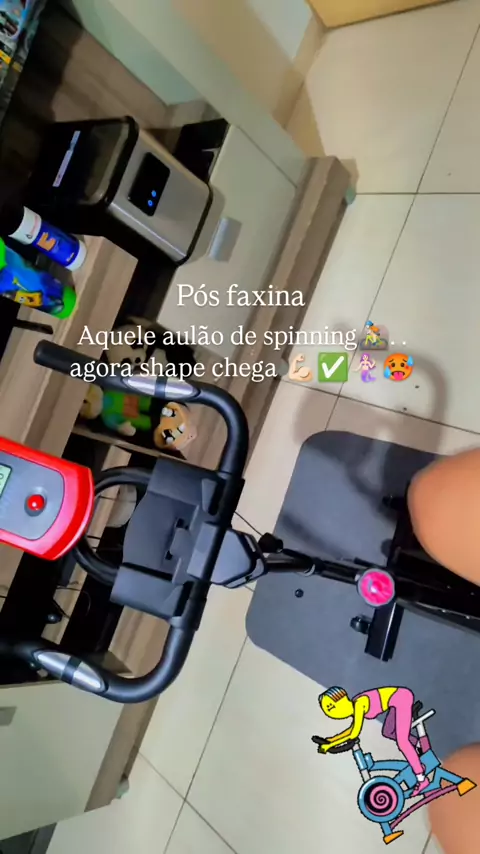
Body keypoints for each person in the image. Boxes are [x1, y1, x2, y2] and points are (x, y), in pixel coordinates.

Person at [317, 685, 429, 794]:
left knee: (402, 742)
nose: (330, 714)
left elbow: (354, 733)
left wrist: (330, 746)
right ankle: (417, 752)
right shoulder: (356, 706)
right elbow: (351, 729)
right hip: (396, 702)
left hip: (402, 698)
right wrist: (331, 740)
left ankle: (422, 779)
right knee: (388, 732)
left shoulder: (359, 704)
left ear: (341, 699)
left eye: (330, 708)